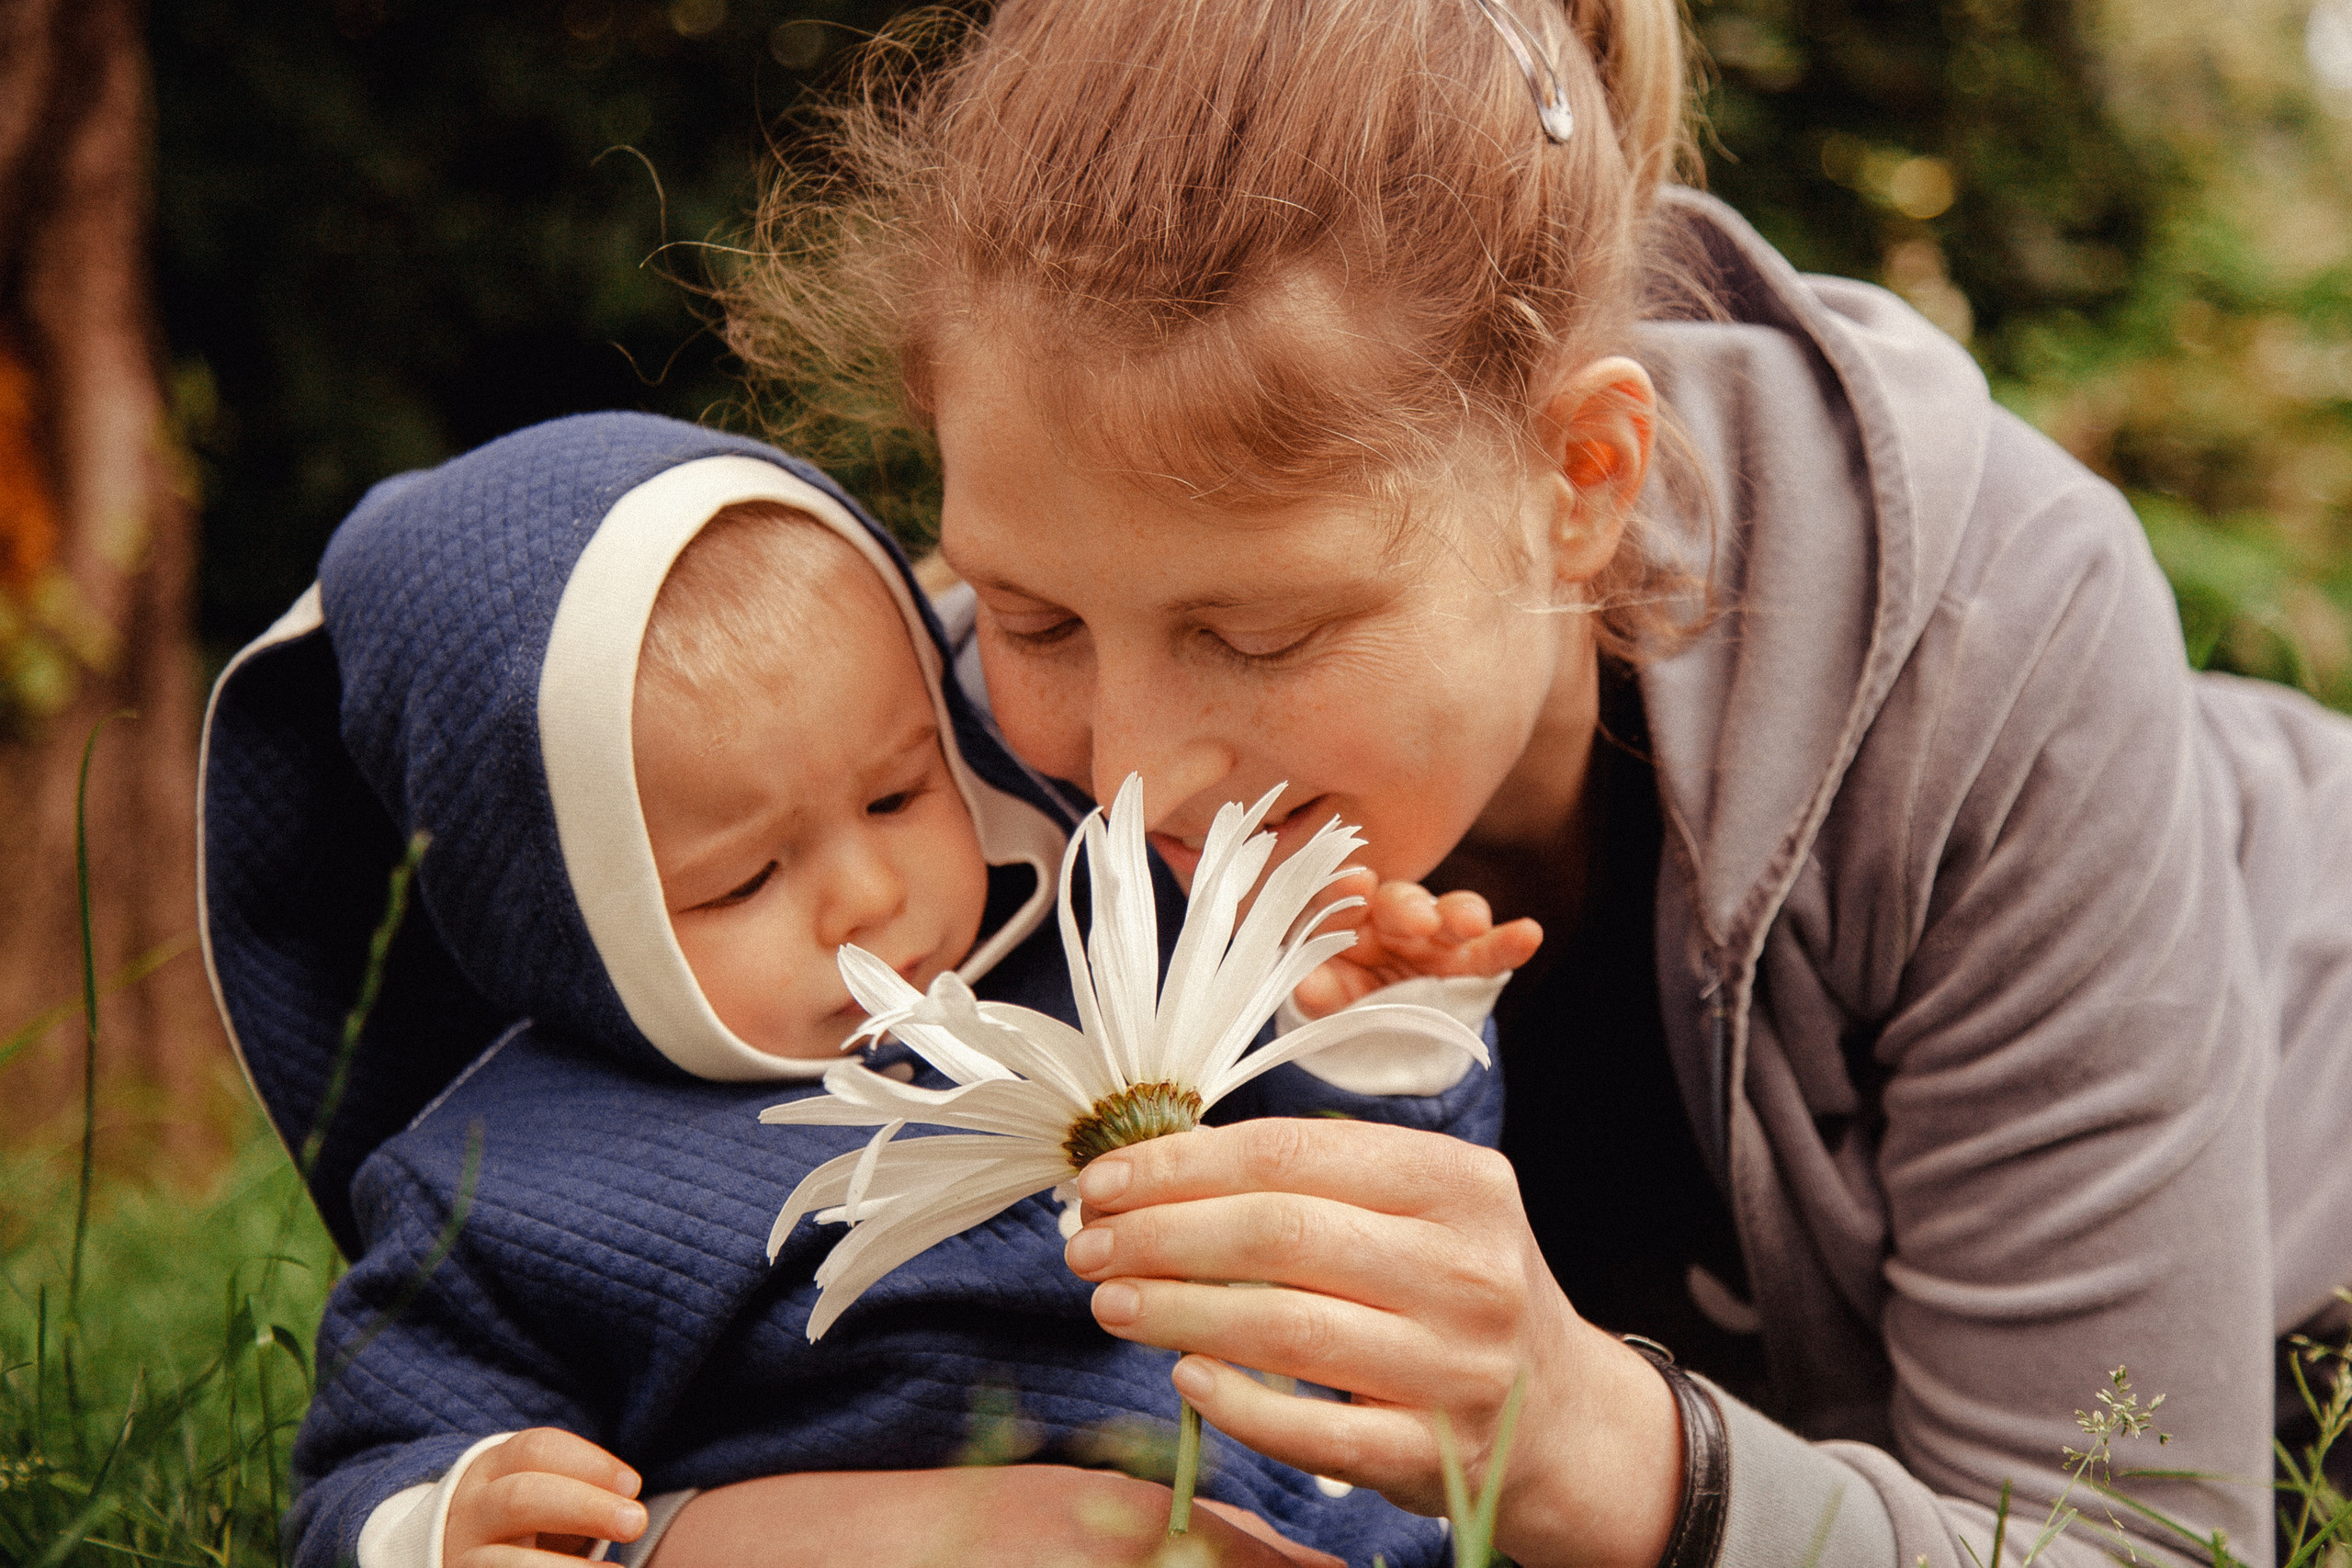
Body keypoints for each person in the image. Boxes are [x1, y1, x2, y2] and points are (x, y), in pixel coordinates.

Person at [708, 2, 2352, 1566]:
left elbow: (2129, 1533)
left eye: (1259, 631)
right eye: (1036, 614)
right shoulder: (905, 773)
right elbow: (545, 1240)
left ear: (1581, 480)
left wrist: (1588, 1447)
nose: (1126, 771)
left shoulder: (1990, 640)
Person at [198, 412, 1533, 1568]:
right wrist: (436, 1519)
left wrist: (1361, 1031)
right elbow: (370, 1459)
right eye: (742, 878)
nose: (865, 900)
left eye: (899, 793)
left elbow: (1385, 1231)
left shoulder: (1111, 962)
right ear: (551, 923)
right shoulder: (501, 1186)